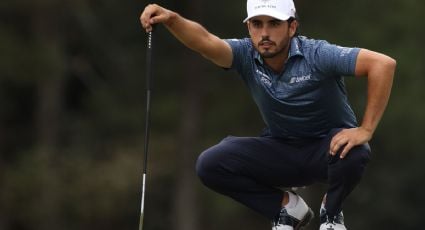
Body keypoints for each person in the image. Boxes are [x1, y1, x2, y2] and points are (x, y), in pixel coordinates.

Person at [140, 0, 396, 229]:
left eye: (274, 24)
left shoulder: (317, 54)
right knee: (211, 163)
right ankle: (286, 209)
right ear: (248, 27)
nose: (264, 33)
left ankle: (331, 215)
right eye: (257, 24)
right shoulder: (244, 54)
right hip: (281, 150)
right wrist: (173, 20)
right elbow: (205, 41)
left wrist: (365, 129)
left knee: (356, 150)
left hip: (329, 151)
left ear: (292, 27)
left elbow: (382, 64)